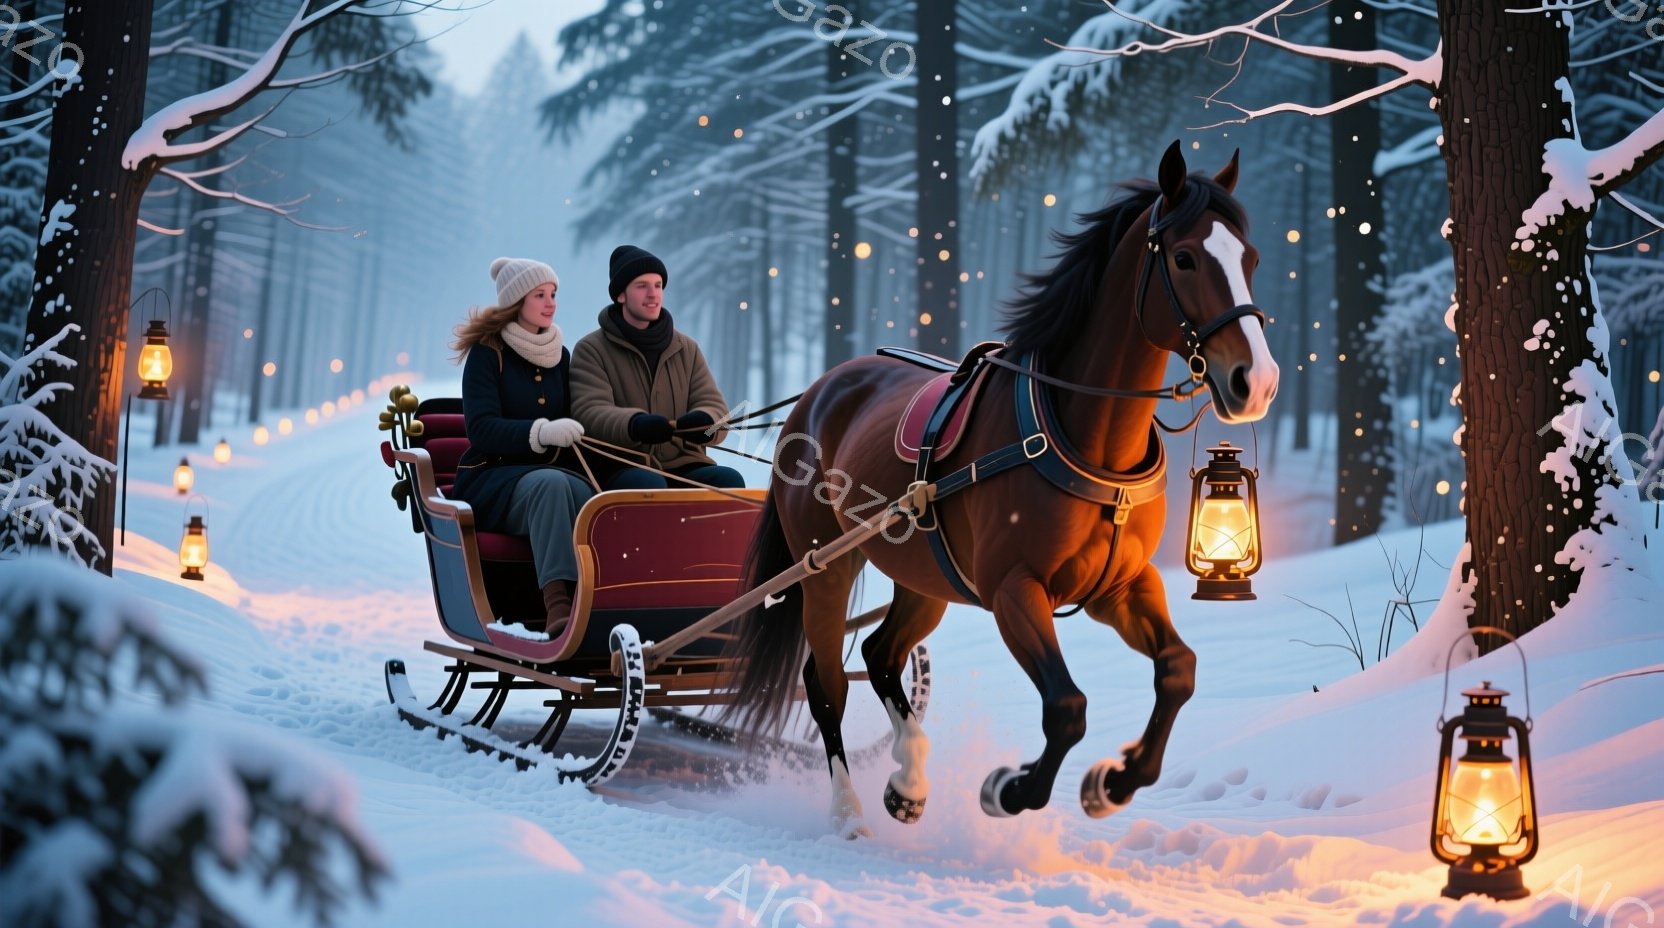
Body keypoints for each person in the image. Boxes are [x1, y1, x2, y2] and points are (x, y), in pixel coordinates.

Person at [449, 257, 593, 631]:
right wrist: (540, 431)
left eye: (554, 294)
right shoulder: (488, 352)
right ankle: (558, 604)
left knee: (596, 497)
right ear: (517, 301)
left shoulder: (559, 354)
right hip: (493, 480)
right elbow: (481, 429)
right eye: (540, 295)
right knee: (552, 486)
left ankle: (601, 599)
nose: (551, 303)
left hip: (548, 474)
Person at [571, 244, 744, 490]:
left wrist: (706, 422)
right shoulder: (591, 349)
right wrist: (634, 424)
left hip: (684, 464)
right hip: (622, 466)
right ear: (621, 295)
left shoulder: (687, 348)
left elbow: (715, 407)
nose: (653, 294)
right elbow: (588, 412)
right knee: (649, 485)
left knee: (728, 481)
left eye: (658, 286)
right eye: (642, 286)